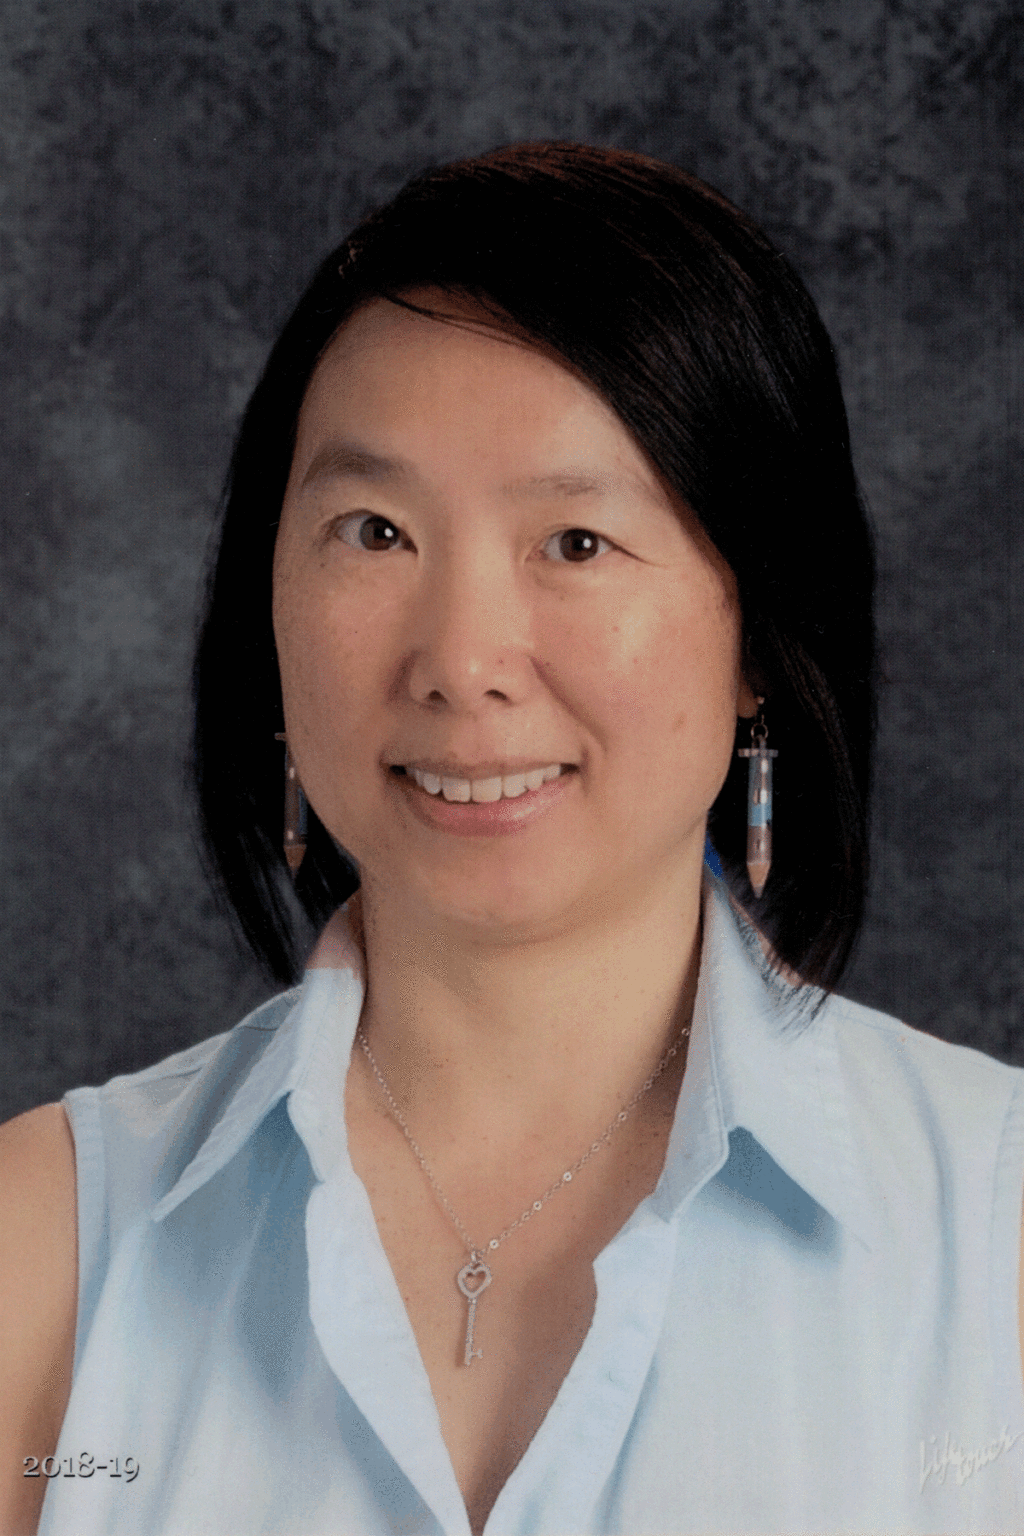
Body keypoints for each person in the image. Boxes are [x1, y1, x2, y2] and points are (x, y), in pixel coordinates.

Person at [1, 142, 1021, 1536]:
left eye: (576, 543)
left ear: (761, 635)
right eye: (374, 531)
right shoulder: (42, 1247)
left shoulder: (997, 1230)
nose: (462, 660)